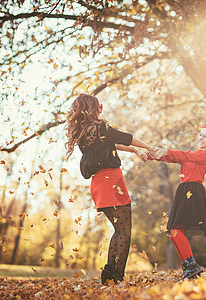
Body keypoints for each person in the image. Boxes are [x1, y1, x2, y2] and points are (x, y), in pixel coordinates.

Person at [65, 94, 154, 285]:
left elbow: (110, 144)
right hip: (110, 180)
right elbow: (125, 137)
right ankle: (115, 276)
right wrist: (149, 147)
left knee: (119, 230)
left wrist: (134, 150)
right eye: (97, 106)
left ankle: (110, 275)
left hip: (100, 182)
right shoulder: (100, 127)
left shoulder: (85, 132)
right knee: (123, 232)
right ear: (92, 108)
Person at [149, 124, 206, 280]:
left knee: (175, 230)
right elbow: (174, 158)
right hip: (183, 191)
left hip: (192, 192)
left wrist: (166, 151)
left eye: (205, 136)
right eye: (200, 135)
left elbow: (185, 155)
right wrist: (149, 154)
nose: (200, 138)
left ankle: (192, 265)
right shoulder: (193, 155)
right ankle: (189, 266)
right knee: (173, 233)